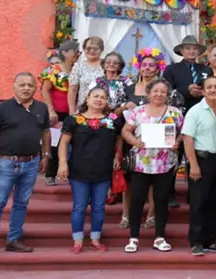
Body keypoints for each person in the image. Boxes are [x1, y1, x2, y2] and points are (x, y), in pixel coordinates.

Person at [0, 72, 50, 257]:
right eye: (22, 85)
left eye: (30, 85)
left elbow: (46, 133)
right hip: (6, 163)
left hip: (31, 163)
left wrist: (46, 155)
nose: (26, 88)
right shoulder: (2, 108)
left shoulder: (41, 108)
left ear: (35, 88)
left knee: (21, 203)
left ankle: (14, 239)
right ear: (14, 86)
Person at [120, 78, 184, 253]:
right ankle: (133, 237)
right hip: (141, 164)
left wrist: (177, 142)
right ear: (148, 93)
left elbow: (182, 133)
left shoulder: (175, 113)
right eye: (155, 91)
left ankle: (160, 237)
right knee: (137, 200)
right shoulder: (138, 112)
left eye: (163, 91)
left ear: (168, 94)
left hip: (165, 164)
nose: (159, 94)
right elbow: (125, 130)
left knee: (161, 201)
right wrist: (134, 141)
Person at [57, 86, 121, 253]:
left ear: (106, 101)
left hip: (103, 170)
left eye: (103, 97)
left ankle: (95, 238)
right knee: (79, 206)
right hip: (79, 169)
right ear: (87, 98)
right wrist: (62, 162)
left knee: (99, 206)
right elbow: (64, 142)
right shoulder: (74, 119)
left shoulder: (113, 120)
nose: (99, 99)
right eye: (95, 96)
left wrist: (117, 156)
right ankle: (77, 240)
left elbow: (119, 138)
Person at [118, 51, 164, 228]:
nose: (147, 68)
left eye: (151, 65)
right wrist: (124, 106)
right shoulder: (129, 89)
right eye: (144, 65)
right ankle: (126, 214)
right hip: (131, 139)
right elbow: (116, 113)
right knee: (129, 179)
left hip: (155, 141)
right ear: (139, 67)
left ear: (157, 68)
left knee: (153, 179)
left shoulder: (162, 89)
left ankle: (151, 213)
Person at [182, 76, 216, 256]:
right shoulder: (195, 111)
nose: (213, 90)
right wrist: (193, 164)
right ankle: (196, 241)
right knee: (199, 202)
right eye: (209, 87)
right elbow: (187, 138)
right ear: (203, 90)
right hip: (201, 160)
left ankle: (210, 239)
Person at [39, 39, 77, 186]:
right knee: (55, 144)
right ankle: (50, 174)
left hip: (74, 113)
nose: (77, 54)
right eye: (74, 51)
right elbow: (45, 90)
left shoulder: (78, 70)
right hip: (57, 113)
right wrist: (50, 110)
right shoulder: (53, 70)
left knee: (75, 144)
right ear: (65, 53)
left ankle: (72, 174)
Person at [164, 35, 212, 113]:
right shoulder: (171, 69)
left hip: (203, 111)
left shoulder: (207, 69)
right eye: (188, 48)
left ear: (198, 51)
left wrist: (202, 92)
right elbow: (166, 92)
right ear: (181, 51)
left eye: (195, 48)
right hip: (179, 112)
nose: (192, 51)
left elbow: (211, 89)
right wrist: (187, 90)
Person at [68, 36, 106, 112]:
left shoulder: (107, 65)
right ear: (84, 50)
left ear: (101, 50)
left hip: (102, 109)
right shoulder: (78, 66)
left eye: (95, 49)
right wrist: (72, 111)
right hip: (82, 109)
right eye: (88, 48)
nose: (91, 51)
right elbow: (73, 90)